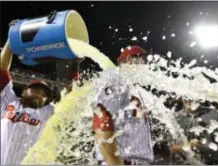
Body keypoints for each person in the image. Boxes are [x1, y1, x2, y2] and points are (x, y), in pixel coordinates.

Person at [0, 24, 79, 164]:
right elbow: (2, 69)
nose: (40, 95)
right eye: (36, 90)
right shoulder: (8, 101)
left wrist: (74, 68)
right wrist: (11, 39)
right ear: (24, 91)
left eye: (44, 95)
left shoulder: (48, 112)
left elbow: (71, 97)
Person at [92, 46, 154, 165]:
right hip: (121, 161)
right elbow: (101, 121)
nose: (146, 65)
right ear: (130, 59)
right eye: (143, 60)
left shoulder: (134, 87)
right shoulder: (115, 81)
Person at [169, 98, 218, 165]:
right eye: (185, 95)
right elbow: (172, 148)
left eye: (190, 95)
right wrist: (187, 146)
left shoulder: (214, 114)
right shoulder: (175, 118)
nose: (188, 98)